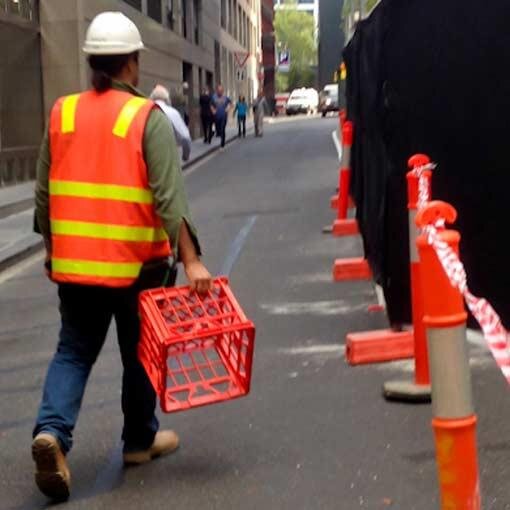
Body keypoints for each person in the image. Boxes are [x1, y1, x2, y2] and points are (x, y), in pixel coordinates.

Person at [32, 11, 212, 502]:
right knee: (140, 353)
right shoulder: (143, 118)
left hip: (77, 269)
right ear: (131, 65)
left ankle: (52, 432)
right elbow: (169, 196)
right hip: (139, 267)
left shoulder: (61, 113)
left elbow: (44, 194)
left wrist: (51, 250)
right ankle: (139, 439)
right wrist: (192, 259)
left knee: (73, 351)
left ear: (93, 62)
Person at [150, 84, 192, 161]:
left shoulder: (144, 111)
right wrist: (185, 156)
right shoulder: (172, 112)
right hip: (167, 158)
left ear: (151, 97)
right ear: (167, 98)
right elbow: (185, 137)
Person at [211, 84, 231, 149]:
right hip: (216, 117)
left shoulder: (226, 98)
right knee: (218, 130)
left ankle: (222, 144)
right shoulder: (213, 97)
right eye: (218, 90)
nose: (220, 91)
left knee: (222, 129)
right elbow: (211, 104)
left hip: (223, 116)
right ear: (217, 90)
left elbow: (230, 103)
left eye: (221, 90)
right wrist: (213, 110)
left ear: (223, 91)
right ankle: (219, 134)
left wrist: (228, 108)